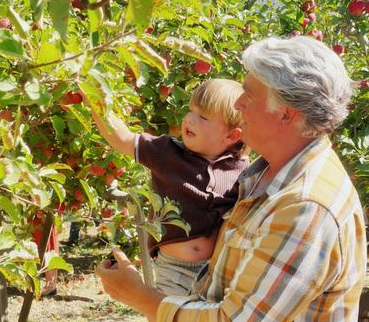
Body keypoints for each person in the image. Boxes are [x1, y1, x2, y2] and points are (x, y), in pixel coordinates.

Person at [96, 36, 367, 321]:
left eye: (249, 95)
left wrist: (139, 296)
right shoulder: (268, 174)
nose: (238, 104)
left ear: (286, 113)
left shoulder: (306, 207)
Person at [86, 79, 249, 295]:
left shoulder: (242, 169)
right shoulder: (167, 153)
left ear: (232, 135)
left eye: (203, 116)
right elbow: (123, 138)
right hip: (174, 271)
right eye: (191, 110)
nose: (190, 119)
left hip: (219, 272)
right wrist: (96, 102)